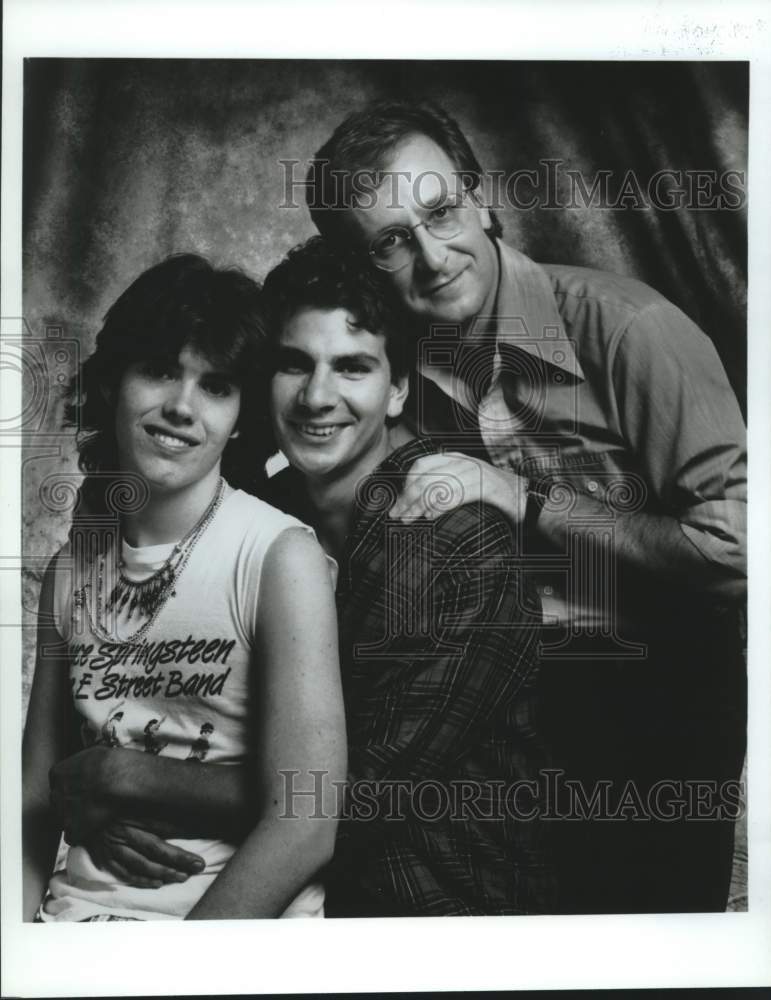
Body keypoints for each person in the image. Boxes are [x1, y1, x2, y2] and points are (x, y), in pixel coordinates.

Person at [304, 100, 747, 913]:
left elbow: (739, 551)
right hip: (498, 711)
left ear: (479, 197)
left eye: (439, 212)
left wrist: (524, 498)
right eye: (392, 242)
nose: (433, 258)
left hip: (654, 695)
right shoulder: (390, 365)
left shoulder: (627, 328)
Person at [22, 254, 346, 921]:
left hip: (226, 941)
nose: (180, 407)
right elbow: (34, 799)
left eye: (216, 385)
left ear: (240, 416)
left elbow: (308, 820)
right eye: (160, 370)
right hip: (74, 926)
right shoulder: (68, 569)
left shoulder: (279, 557)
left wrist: (177, 971)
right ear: (115, 380)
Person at [261, 236, 556, 916]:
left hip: (446, 923)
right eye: (293, 364)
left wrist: (136, 781)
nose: (316, 396)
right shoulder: (264, 517)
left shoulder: (456, 540)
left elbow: (353, 796)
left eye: (352, 368)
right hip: (306, 910)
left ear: (397, 389)